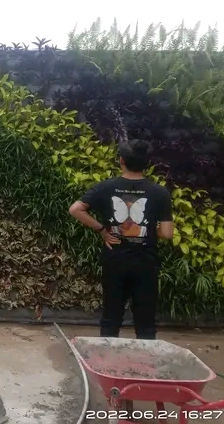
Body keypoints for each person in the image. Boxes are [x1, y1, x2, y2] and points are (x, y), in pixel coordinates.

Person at [68, 139, 174, 340]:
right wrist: (147, 231)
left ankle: (107, 357)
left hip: (115, 260)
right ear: (147, 163)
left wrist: (102, 229)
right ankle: (144, 358)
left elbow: (75, 209)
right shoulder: (160, 193)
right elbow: (167, 233)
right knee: (146, 321)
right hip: (146, 263)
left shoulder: (106, 187)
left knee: (111, 317)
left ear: (121, 161)